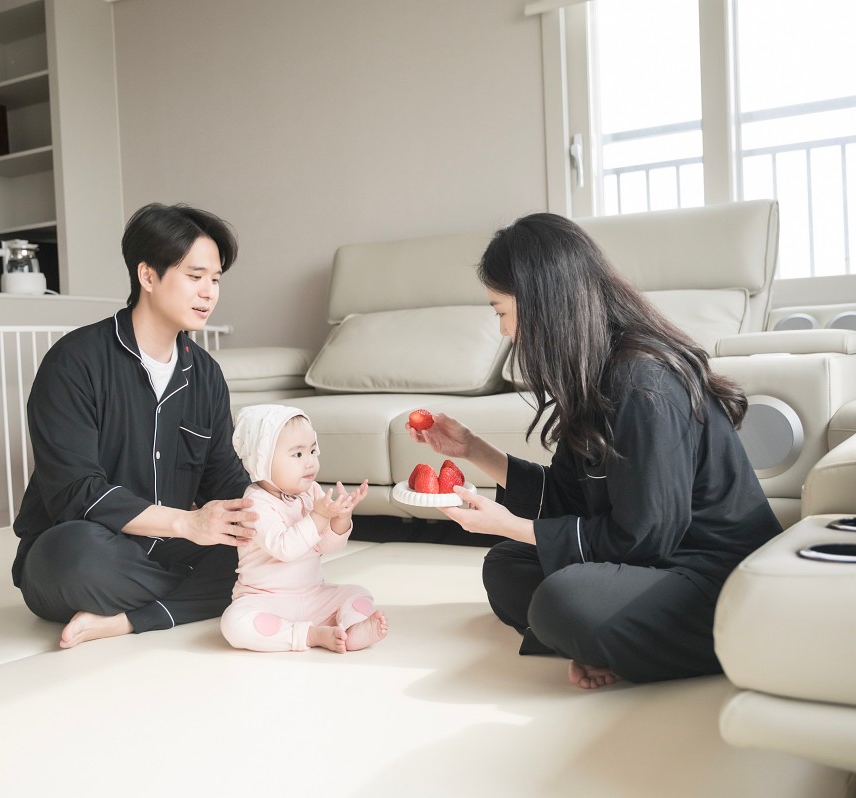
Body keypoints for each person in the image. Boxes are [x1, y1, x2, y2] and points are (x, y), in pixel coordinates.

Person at [409, 213, 781, 689]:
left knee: (565, 601)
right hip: (656, 562)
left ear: (542, 303)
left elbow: (645, 538)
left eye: (501, 311)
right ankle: (608, 641)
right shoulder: (594, 372)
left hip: (713, 574)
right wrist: (473, 449)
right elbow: (570, 496)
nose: (503, 331)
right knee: (505, 566)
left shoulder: (643, 383)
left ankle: (605, 636)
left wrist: (514, 525)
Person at [12, 203, 259, 649]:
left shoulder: (205, 374)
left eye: (216, 279)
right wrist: (187, 523)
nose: (209, 293)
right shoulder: (74, 362)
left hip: (169, 548)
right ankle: (202, 596)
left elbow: (224, 477)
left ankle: (126, 620)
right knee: (73, 558)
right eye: (195, 276)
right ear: (147, 276)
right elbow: (76, 492)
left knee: (261, 552)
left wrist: (288, 514)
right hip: (89, 546)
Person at [220, 404, 387, 653]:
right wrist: (319, 516)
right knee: (234, 623)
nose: (310, 462)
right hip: (266, 600)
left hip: (313, 595)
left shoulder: (311, 492)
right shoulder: (255, 502)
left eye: (312, 451)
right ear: (262, 460)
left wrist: (341, 517)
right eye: (298, 454)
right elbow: (284, 548)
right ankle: (308, 635)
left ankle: (352, 628)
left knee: (358, 593)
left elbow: (327, 546)